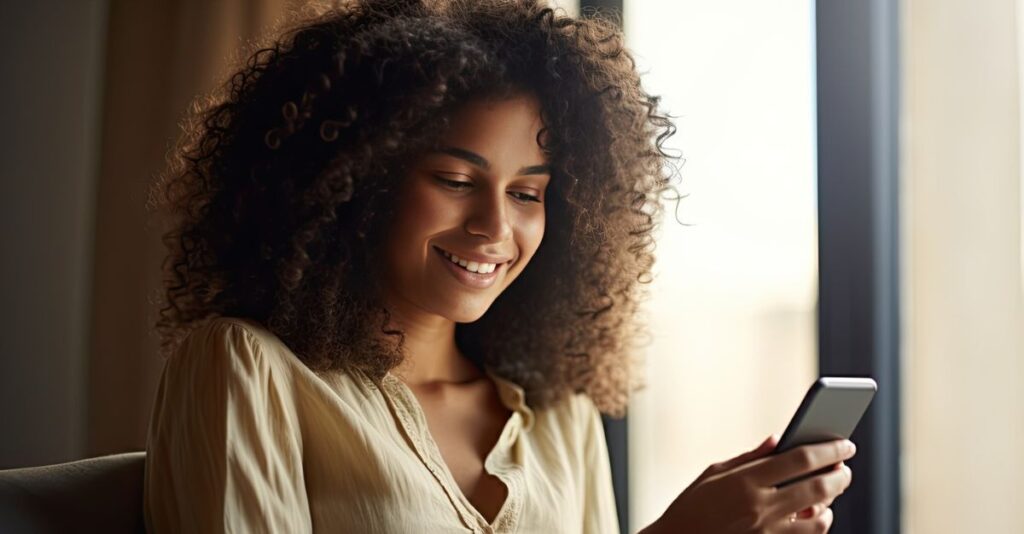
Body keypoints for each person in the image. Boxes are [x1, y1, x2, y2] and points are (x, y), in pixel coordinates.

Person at [143, 0, 855, 532]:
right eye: (455, 181)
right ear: (354, 182)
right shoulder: (244, 369)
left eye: (527, 193)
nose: (494, 227)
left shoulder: (559, 417)